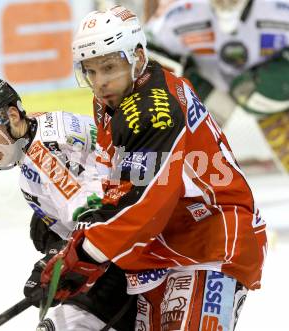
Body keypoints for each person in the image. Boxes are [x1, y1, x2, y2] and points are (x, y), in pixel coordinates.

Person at [40, 5, 267, 331]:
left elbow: (144, 204)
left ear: (138, 56)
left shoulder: (154, 109)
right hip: (160, 245)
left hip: (211, 239)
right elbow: (113, 177)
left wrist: (86, 253)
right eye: (90, 71)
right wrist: (74, 234)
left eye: (108, 67)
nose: (99, 82)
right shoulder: (114, 98)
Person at [0, 74, 137, 330]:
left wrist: (52, 261)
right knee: (43, 228)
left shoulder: (46, 157)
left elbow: (97, 223)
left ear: (12, 116)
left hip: (129, 262)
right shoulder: (40, 123)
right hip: (126, 243)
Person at [145, 0, 289, 171]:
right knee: (170, 172)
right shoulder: (180, 15)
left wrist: (281, 78)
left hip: (273, 104)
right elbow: (145, 56)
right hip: (201, 104)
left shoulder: (280, 10)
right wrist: (185, 85)